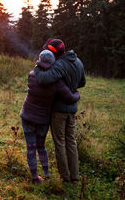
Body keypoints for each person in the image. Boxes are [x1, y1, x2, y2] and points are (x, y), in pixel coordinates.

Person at [20, 50, 80, 184]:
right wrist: (77, 95)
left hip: (27, 116)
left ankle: (35, 178)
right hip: (42, 120)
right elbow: (70, 97)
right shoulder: (57, 82)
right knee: (41, 147)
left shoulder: (32, 75)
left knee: (31, 147)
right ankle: (46, 175)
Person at [34, 38, 86, 184]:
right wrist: (72, 88)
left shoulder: (59, 64)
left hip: (59, 110)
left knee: (60, 142)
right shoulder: (78, 61)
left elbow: (43, 79)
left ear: (53, 51)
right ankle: (75, 177)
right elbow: (82, 82)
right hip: (72, 109)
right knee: (71, 141)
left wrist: (37, 67)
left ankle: (65, 177)